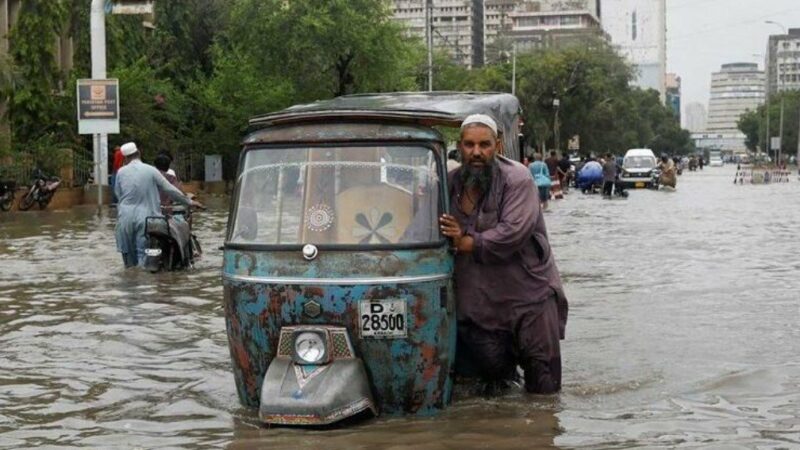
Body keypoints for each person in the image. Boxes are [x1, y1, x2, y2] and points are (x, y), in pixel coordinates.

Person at [439, 114, 568, 394]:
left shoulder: (517, 178)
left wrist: (466, 243)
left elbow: (514, 232)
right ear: (459, 147)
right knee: (493, 391)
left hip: (528, 299)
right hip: (479, 306)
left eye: (484, 145)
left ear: (497, 146)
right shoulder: (448, 183)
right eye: (469, 145)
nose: (476, 152)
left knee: (544, 391)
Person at [114, 142, 202, 268]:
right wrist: (190, 202)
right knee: (144, 255)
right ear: (139, 153)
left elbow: (118, 195)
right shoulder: (151, 170)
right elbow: (170, 189)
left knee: (128, 257)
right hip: (146, 219)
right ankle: (144, 282)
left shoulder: (121, 173)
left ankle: (130, 280)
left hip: (125, 218)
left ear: (125, 158)